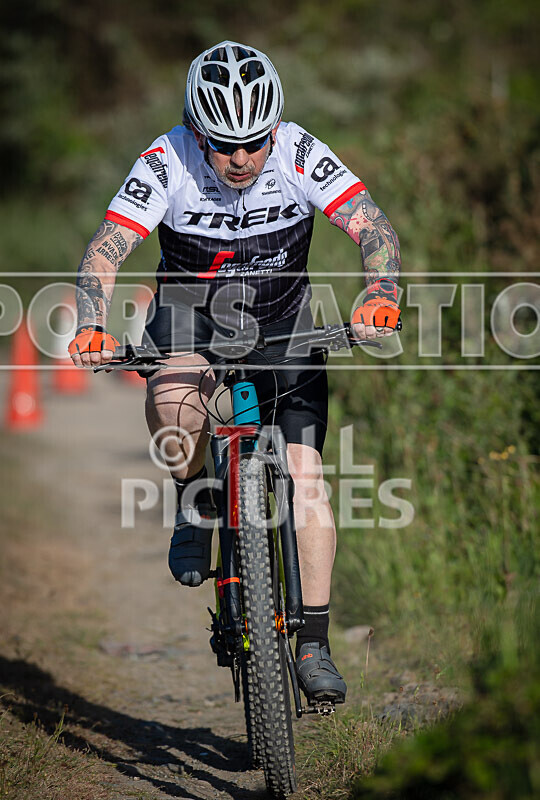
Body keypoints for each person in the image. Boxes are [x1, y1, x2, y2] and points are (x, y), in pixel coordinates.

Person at [68, 41, 401, 704]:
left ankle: (314, 644)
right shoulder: (166, 160)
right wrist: (90, 321)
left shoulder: (299, 151)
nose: (242, 158)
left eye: (255, 142)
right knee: (172, 400)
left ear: (274, 129)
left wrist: (381, 291)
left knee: (306, 479)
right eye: (224, 146)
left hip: (284, 318)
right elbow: (106, 249)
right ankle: (196, 497)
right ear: (197, 133)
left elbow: (373, 227)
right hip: (189, 317)